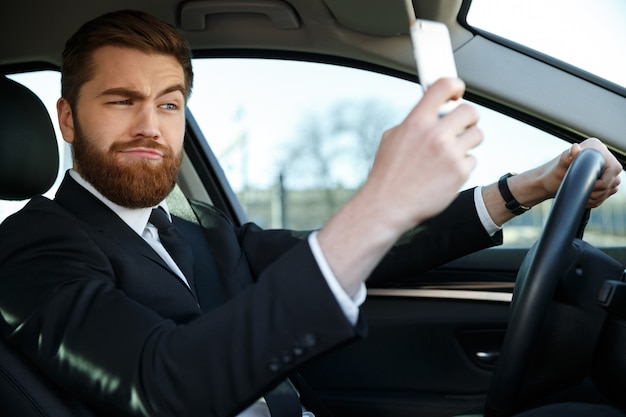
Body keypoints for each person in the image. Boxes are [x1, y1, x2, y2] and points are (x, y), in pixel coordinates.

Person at [0, 9, 621, 417]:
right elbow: (160, 387)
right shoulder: (32, 248)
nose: (150, 126)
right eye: (120, 100)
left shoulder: (206, 236)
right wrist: (382, 199)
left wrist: (525, 188)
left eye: (169, 104)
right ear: (66, 119)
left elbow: (368, 253)